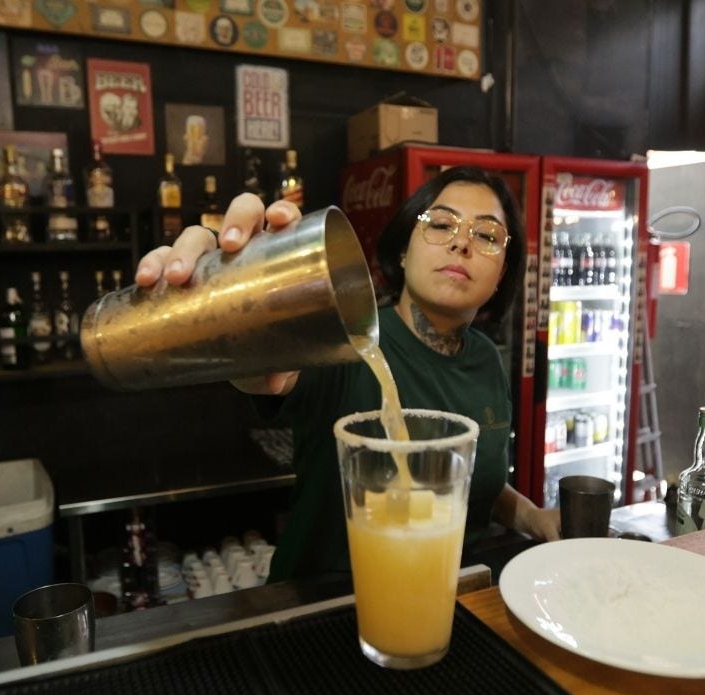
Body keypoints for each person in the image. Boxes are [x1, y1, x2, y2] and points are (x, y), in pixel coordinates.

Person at [136, 166, 561, 581]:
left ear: (502, 272)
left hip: (443, 602)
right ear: (403, 248)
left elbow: (474, 475)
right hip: (321, 610)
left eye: (486, 235)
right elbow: (270, 372)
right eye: (441, 224)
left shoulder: (485, 358)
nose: (462, 244)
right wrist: (225, 297)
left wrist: (533, 516)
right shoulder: (348, 339)